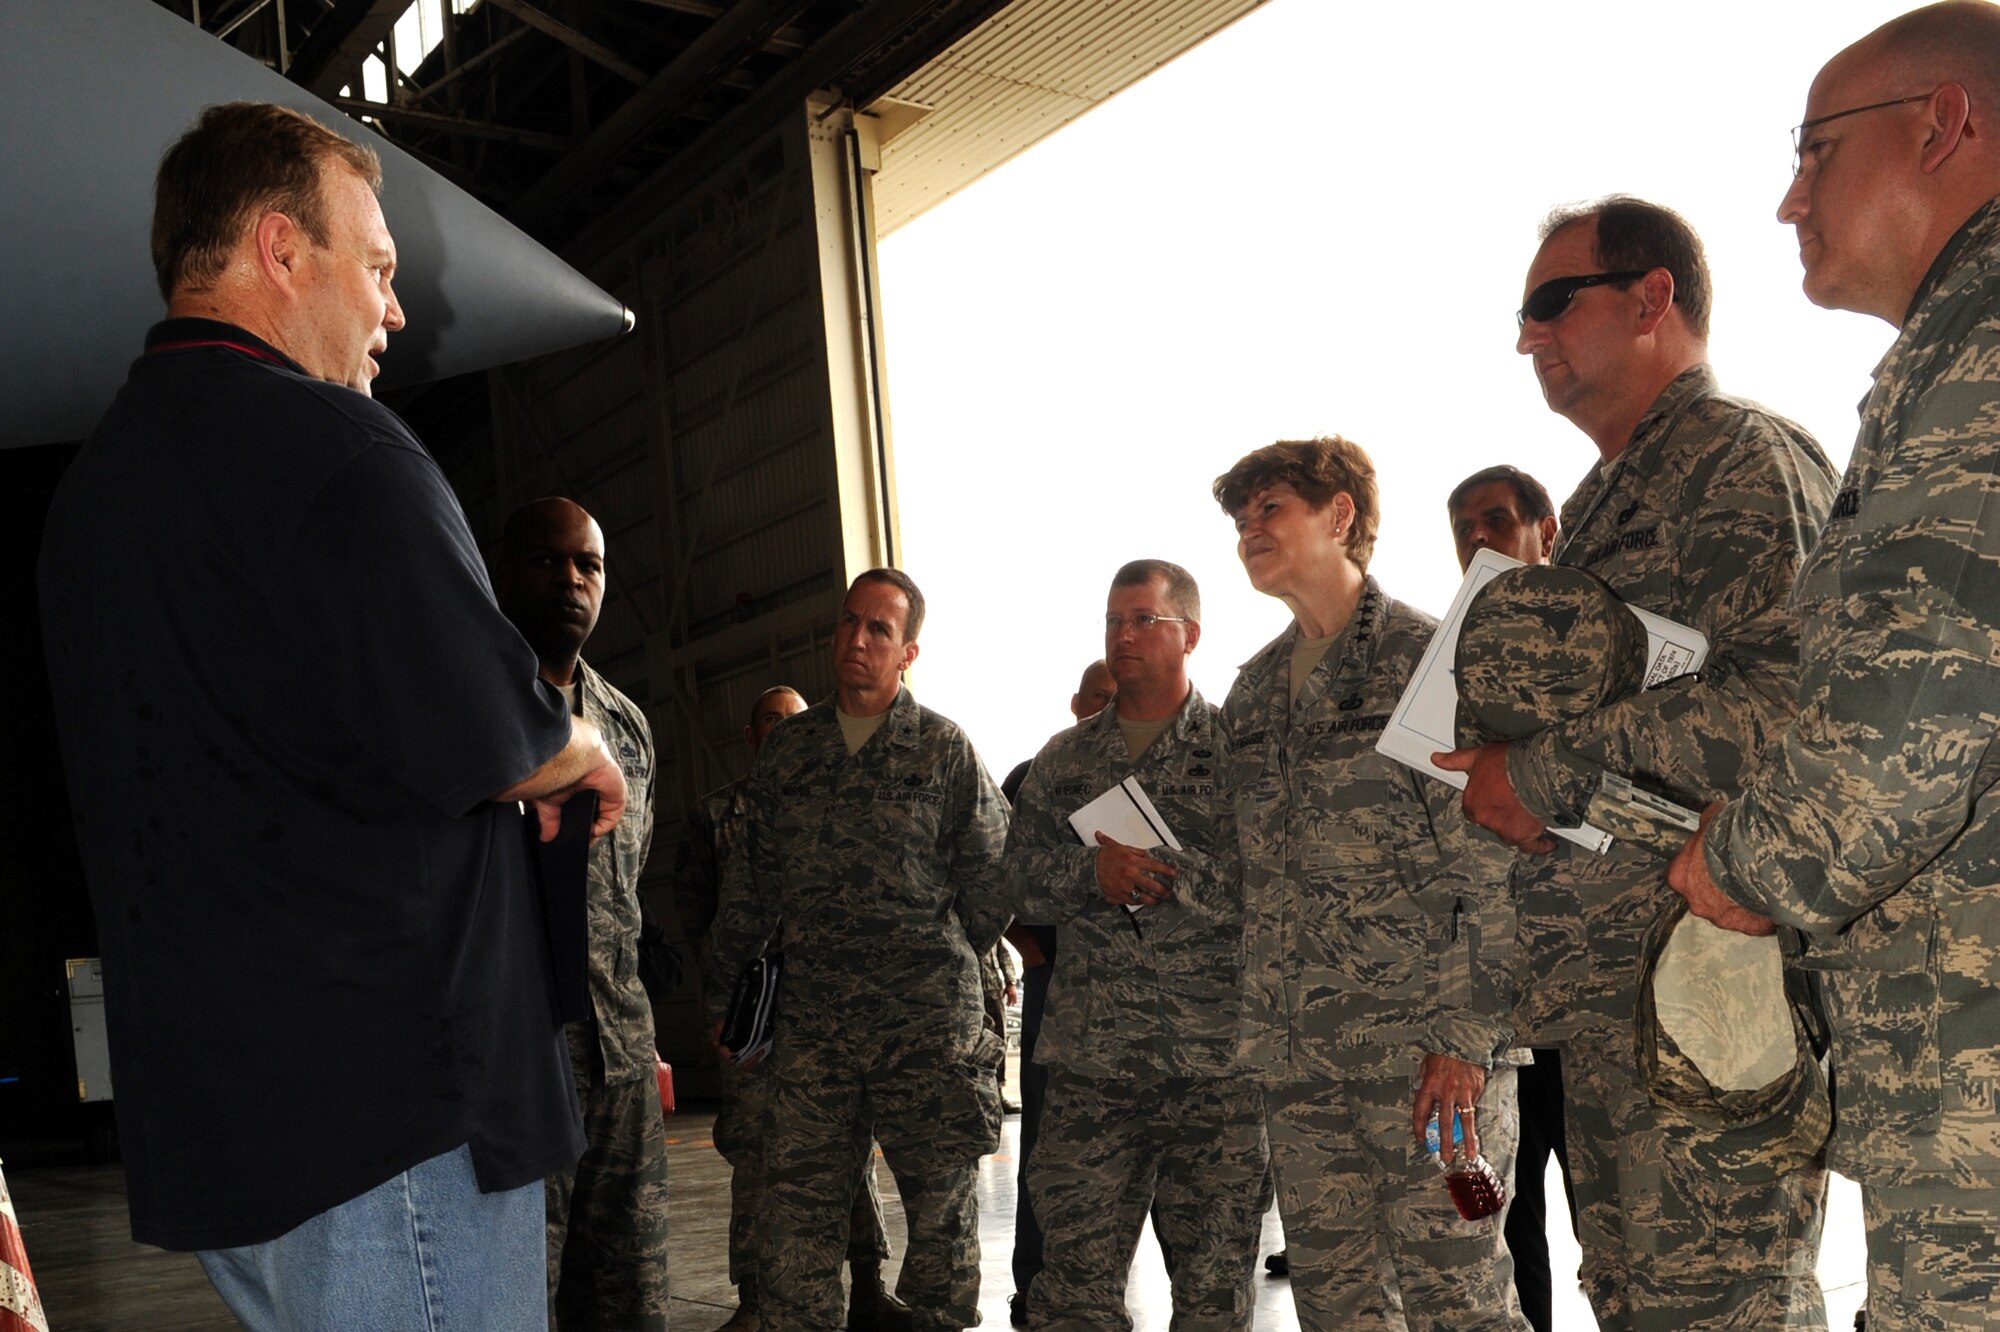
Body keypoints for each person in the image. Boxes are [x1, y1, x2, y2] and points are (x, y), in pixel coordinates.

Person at [37, 101, 626, 1331]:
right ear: (279, 249)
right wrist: (584, 751)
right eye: (378, 267)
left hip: (226, 1127)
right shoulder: (338, 450)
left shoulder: (91, 500)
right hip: (390, 1124)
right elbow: (499, 735)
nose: (394, 311)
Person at [1433, 196, 1836, 1330]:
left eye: (1553, 303)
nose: (1528, 334)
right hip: (1615, 1013)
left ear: (1653, 297)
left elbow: (1790, 709)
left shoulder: (1736, 459)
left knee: (1723, 1306)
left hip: (1710, 997)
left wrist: (1541, 772)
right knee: (1638, 1302)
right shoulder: (1607, 501)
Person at [1665, 5, 2000, 1326]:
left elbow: (1902, 726)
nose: (1788, 199)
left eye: (1815, 153)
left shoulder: (1978, 347)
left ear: (1942, 125)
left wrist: (1742, 865)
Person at [1214, 438, 1526, 1332]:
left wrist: (1462, 1039)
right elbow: (1247, 880)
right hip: (1301, 1069)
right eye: (1240, 519)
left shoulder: (1428, 663)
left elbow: (1489, 863)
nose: (1248, 531)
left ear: (1340, 514)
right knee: (1336, 1306)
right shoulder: (1253, 694)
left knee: (1459, 1300)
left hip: (1425, 1060)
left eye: (1270, 508)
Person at [704, 569, 1012, 1332]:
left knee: (941, 1229)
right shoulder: (790, 752)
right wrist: (725, 1002)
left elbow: (993, 881)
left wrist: (932, 956)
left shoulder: (942, 749)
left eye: (880, 629)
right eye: (849, 622)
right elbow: (750, 888)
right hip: (815, 1033)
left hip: (925, 1030)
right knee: (795, 1228)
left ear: (908, 652)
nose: (858, 639)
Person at [1004, 561, 1271, 1331]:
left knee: (1214, 1298)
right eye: (1114, 621)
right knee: (1072, 1295)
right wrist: (1090, 873)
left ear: (1190, 634)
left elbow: (1279, 884)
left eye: (1143, 619)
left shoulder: (1242, 751)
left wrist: (1169, 874)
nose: (1123, 635)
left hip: (1216, 1068)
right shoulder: (1064, 760)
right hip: (1096, 1069)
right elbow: (1014, 883)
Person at [673, 684, 911, 1332]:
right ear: (752, 737)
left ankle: (867, 1285)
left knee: (850, 1145)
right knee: (755, 1151)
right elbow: (697, 913)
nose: (784, 731)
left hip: (831, 1007)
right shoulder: (715, 815)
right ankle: (754, 1299)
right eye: (772, 722)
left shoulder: (839, 802)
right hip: (754, 1014)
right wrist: (729, 1000)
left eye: (796, 722)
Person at [494, 497, 669, 1332]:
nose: (571, 580)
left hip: (620, 1059)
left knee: (630, 1294)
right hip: (514, 1063)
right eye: (547, 561)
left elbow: (627, 893)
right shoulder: (473, 713)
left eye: (588, 565)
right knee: (517, 1297)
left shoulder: (627, 727)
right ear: (504, 574)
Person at [1442, 466, 1573, 1332]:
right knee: (1505, 1217)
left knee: (1617, 1219)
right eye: (1463, 529)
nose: (1479, 539)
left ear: (1545, 530)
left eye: (1495, 519)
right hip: (1503, 1008)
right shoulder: (1445, 668)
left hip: (1594, 988)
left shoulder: (1596, 641)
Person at [1002, 659, 1116, 1327]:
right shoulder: (1036, 775)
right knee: (1047, 1141)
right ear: (1076, 702)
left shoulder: (1149, 774)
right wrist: (1026, 943)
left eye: (1116, 697)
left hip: (1144, 987)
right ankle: (1034, 1284)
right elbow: (996, 869)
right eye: (1097, 697)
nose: (1106, 706)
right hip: (1056, 983)